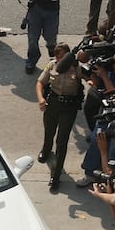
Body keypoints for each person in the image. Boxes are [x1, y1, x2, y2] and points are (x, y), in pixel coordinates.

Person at [35, 42, 82, 191]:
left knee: (62, 140)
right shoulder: (52, 65)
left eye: (63, 57)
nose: (60, 60)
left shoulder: (77, 67)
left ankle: (56, 175)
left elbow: (87, 79)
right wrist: (41, 99)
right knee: (49, 131)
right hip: (53, 102)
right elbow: (40, 83)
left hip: (69, 106)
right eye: (58, 57)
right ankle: (46, 149)